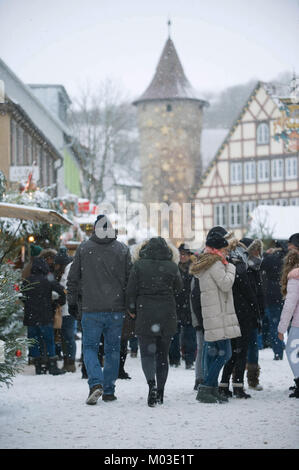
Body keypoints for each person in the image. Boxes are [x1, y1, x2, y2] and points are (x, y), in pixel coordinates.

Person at [67, 214, 132, 405]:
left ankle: (96, 383)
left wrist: (72, 302)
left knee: (89, 348)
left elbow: (73, 279)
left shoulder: (84, 249)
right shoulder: (122, 250)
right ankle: (109, 390)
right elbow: (130, 280)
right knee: (112, 350)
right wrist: (129, 304)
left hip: (91, 308)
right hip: (116, 310)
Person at [126, 237, 182, 407]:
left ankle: (151, 385)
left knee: (148, 354)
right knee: (162, 355)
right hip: (167, 315)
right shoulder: (172, 266)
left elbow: (130, 291)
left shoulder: (139, 266)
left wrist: (133, 310)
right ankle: (162, 391)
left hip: (145, 314)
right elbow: (179, 289)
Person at [190, 231, 241, 404]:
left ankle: (209, 389)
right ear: (219, 250)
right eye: (225, 250)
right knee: (225, 353)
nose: (227, 253)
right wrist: (232, 267)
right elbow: (226, 284)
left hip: (212, 315)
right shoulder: (216, 264)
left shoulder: (206, 263)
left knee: (214, 353)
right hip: (219, 315)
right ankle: (206, 388)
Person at [218, 238, 261, 399]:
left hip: (229, 312)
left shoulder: (225, 265)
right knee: (240, 351)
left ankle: (223, 384)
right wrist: (256, 310)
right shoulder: (241, 267)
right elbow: (249, 293)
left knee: (231, 351)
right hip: (243, 314)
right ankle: (238, 386)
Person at [22, 256, 66, 375]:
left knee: (34, 341)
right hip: (45, 315)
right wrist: (58, 303)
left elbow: (22, 297)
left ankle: (38, 366)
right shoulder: (48, 279)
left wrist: (29, 304)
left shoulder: (27, 280)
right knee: (49, 340)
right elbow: (62, 292)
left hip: (31, 316)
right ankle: (52, 365)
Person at [240, 238, 265, 391]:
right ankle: (239, 379)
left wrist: (260, 311)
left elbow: (260, 292)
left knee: (253, 347)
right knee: (244, 348)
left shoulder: (256, 267)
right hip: (246, 313)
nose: (258, 254)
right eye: (255, 250)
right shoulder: (244, 268)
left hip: (253, 314)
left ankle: (252, 380)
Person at [169, 243, 196, 369]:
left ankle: (189, 359)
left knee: (189, 334)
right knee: (174, 334)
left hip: (189, 305)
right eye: (180, 254)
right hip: (175, 304)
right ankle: (174, 359)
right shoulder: (174, 268)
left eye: (185, 254)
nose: (182, 256)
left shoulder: (194, 268)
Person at [260, 240, 287, 360]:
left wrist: (267, 254)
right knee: (292, 325)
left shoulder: (270, 258)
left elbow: (261, 264)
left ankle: (278, 351)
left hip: (272, 294)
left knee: (274, 325)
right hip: (286, 293)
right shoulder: (288, 258)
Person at [278, 250, 299, 398]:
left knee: (292, 352)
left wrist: (281, 329)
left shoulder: (295, 277)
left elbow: (289, 306)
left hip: (298, 324)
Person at [54, 249, 76, 373]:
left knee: (67, 335)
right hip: (66, 308)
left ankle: (70, 362)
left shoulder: (69, 270)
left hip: (68, 309)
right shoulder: (67, 269)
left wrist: (59, 291)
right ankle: (68, 361)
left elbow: (67, 289)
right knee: (66, 336)